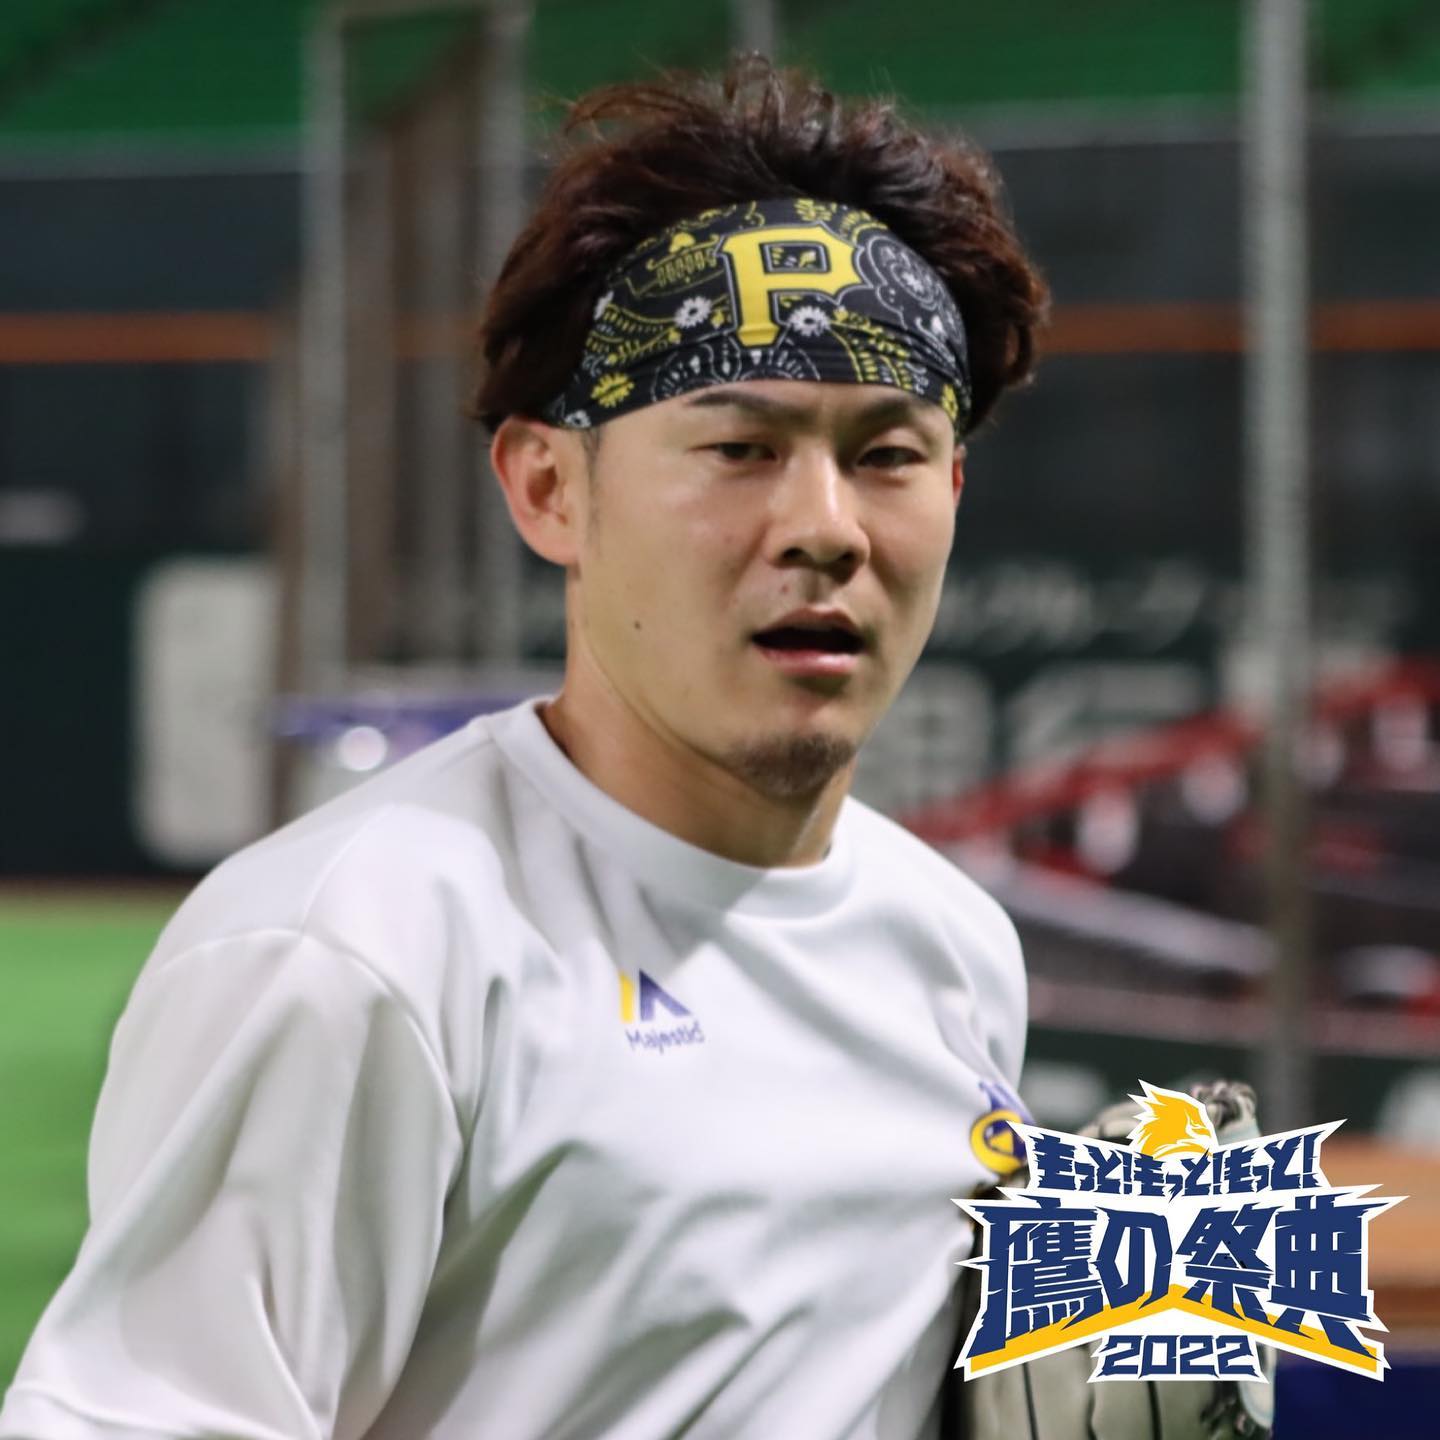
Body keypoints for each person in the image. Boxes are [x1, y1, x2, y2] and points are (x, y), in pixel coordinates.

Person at [0, 53, 1049, 1440]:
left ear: (954, 488)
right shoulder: (360, 952)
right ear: (549, 487)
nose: (825, 527)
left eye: (889, 455)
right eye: (741, 448)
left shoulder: (955, 949)